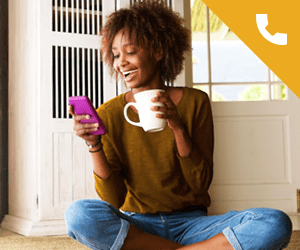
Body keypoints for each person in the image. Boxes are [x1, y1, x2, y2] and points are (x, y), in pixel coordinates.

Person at [65, 2, 292, 250]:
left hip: (193, 225)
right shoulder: (108, 113)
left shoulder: (195, 102)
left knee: (274, 222)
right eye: (117, 55)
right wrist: (93, 144)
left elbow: (200, 183)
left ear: (159, 50)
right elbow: (114, 199)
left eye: (130, 52)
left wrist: (177, 126)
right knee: (78, 215)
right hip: (139, 225)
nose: (122, 63)